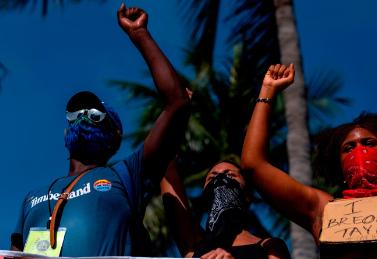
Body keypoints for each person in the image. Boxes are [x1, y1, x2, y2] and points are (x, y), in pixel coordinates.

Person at [10, 4, 190, 257]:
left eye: (95, 115)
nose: (84, 116)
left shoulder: (128, 176)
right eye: (75, 114)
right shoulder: (31, 198)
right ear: (65, 136)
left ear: (116, 136)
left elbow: (177, 102)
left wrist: (140, 35)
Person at [241, 64, 377, 258]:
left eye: (369, 143)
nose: (359, 151)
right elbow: (254, 165)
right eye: (349, 148)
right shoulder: (322, 209)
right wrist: (268, 91)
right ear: (338, 165)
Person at [160, 160, 291, 259]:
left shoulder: (270, 246)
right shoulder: (193, 243)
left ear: (247, 195)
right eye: (212, 178)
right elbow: (167, 170)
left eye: (231, 176)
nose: (220, 180)